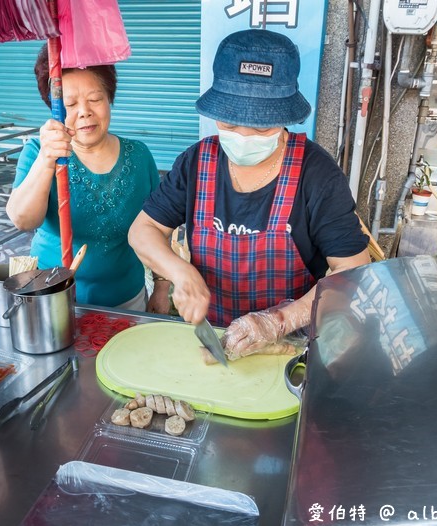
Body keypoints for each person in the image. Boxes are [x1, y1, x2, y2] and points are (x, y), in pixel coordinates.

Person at [128, 29, 370, 359]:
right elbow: (143, 231)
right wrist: (179, 273)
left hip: (289, 349)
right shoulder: (196, 162)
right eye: (229, 122)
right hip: (214, 343)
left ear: (286, 117)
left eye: (261, 127)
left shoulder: (318, 176)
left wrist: (276, 321)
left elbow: (352, 273)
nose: (243, 135)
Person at [6, 45, 166, 312]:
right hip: (54, 300)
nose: (84, 112)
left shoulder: (139, 156)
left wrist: (161, 288)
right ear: (54, 108)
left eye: (95, 99)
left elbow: (161, 226)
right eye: (70, 104)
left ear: (109, 99)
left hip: (128, 299)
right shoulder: (37, 152)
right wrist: (47, 159)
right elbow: (23, 219)